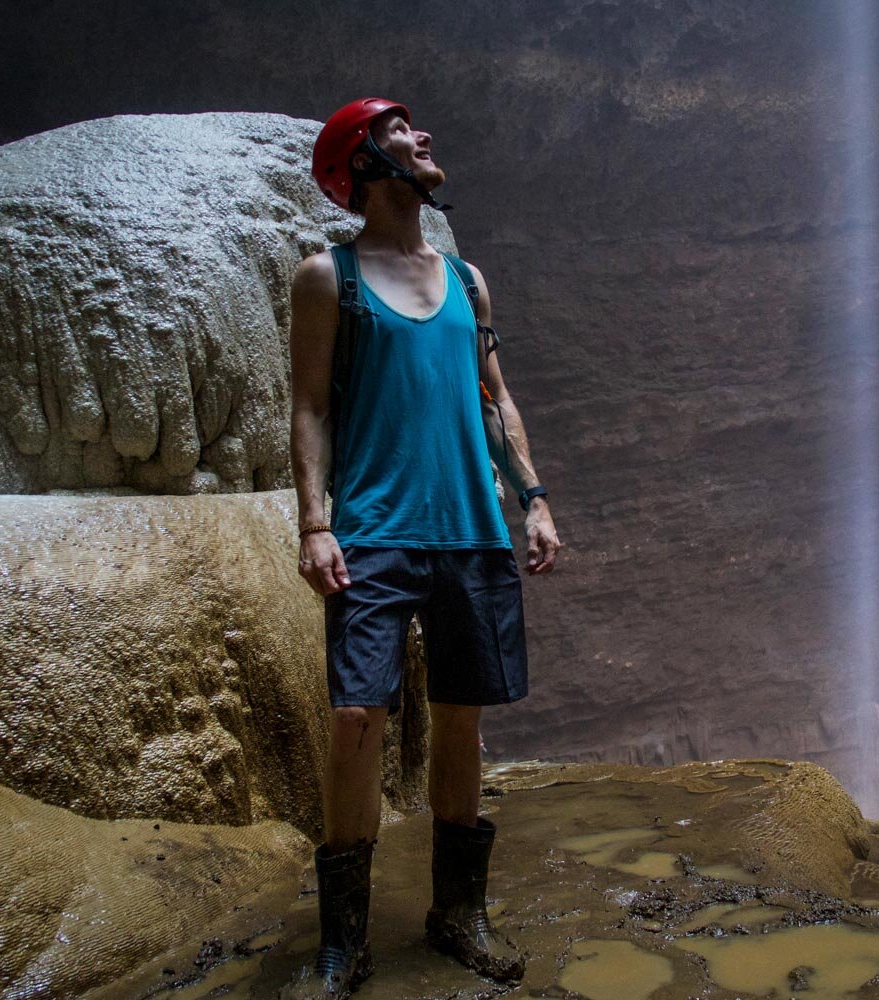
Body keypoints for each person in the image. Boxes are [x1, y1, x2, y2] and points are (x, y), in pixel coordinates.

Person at [282, 97, 562, 999]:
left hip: (471, 529)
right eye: (400, 129)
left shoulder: (469, 281)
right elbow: (311, 406)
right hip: (373, 530)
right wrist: (315, 522)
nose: (423, 135)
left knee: (461, 718)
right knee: (358, 717)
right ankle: (344, 942)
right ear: (363, 164)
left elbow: (494, 399)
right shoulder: (329, 278)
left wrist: (535, 499)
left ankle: (458, 914)